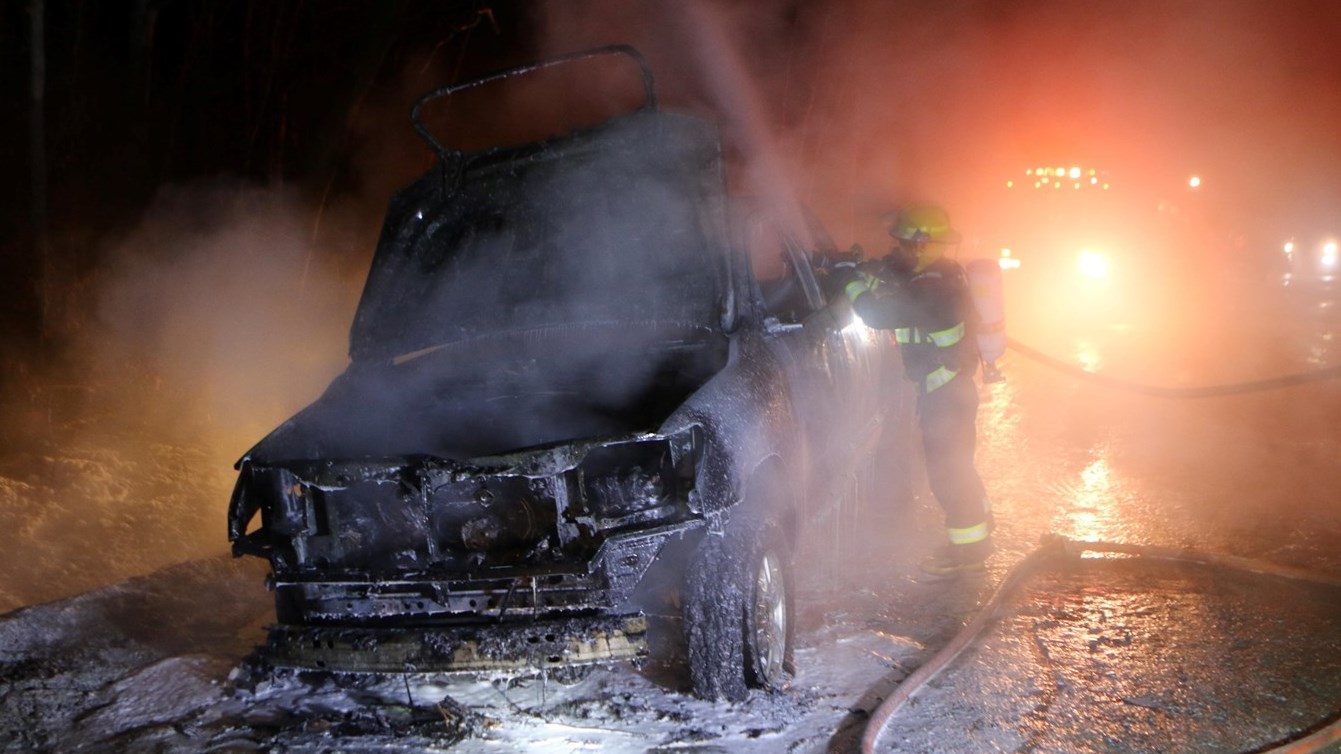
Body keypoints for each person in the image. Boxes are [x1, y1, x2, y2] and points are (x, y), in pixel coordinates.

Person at [841, 203, 994, 576]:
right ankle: (979, 529)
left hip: (946, 395)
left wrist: (848, 280)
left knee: (948, 473)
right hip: (950, 390)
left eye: (906, 244)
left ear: (923, 244)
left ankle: (968, 554)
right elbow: (898, 280)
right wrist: (873, 269)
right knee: (958, 466)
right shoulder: (938, 275)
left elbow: (878, 315)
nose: (900, 249)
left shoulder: (931, 288)